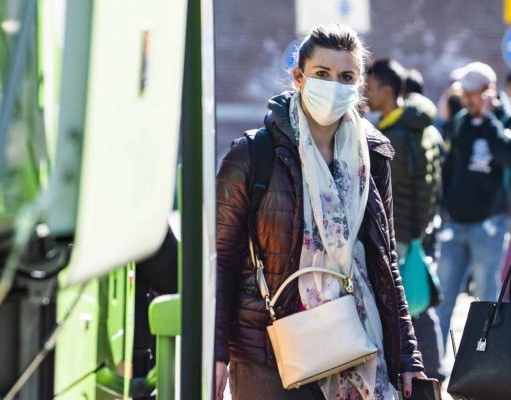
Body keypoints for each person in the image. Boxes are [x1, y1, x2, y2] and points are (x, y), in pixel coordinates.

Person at [215, 24, 425, 400]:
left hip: (356, 344)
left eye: (347, 77)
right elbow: (221, 261)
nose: (334, 86)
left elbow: (384, 262)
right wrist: (214, 354)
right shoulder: (251, 155)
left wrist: (408, 357)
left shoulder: (373, 157)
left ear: (360, 85)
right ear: (299, 77)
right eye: (322, 75)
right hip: (270, 353)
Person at [366, 61, 445, 382]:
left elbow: (389, 196)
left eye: (369, 88)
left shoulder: (391, 138)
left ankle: (418, 373)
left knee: (403, 305)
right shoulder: (422, 129)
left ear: (387, 91)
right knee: (417, 305)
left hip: (398, 235)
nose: (365, 95)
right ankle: (433, 372)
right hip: (418, 234)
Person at [436, 61, 511, 348]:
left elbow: (506, 156)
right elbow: (450, 165)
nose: (466, 99)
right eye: (464, 93)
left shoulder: (503, 121)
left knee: (487, 301)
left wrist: (491, 118)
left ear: (488, 91)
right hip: (456, 223)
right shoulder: (461, 122)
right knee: (444, 299)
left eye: (472, 93)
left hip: (489, 224)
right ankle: (435, 369)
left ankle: (484, 365)